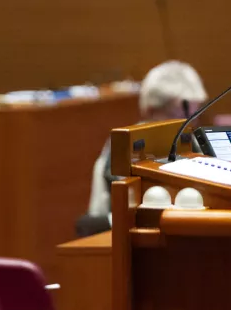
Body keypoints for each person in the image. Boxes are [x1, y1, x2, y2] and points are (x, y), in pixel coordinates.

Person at [75, 60, 208, 237]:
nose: (187, 125)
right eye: (177, 116)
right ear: (150, 110)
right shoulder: (126, 143)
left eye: (193, 116)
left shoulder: (196, 140)